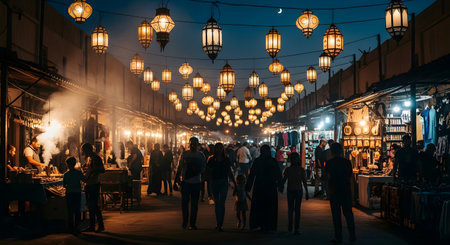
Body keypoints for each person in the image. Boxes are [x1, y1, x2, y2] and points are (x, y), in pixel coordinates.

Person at [246, 145, 282, 232]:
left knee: (260, 206)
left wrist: (248, 187)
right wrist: (280, 185)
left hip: (260, 186)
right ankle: (268, 225)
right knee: (269, 207)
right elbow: (278, 174)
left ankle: (262, 224)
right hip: (270, 187)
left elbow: (252, 175)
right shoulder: (272, 161)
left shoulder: (258, 161)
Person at [325, 143, 356, 243]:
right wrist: (353, 194)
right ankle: (352, 236)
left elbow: (328, 179)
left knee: (336, 216)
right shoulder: (347, 162)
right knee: (348, 215)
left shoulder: (329, 163)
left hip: (335, 191)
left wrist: (328, 192)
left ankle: (338, 237)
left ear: (332, 151)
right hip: (346, 191)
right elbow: (351, 179)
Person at [175, 137, 206, 230]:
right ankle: (185, 221)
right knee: (184, 203)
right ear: (189, 144)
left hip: (196, 182)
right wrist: (177, 178)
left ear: (197, 144)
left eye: (194, 144)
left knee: (194, 204)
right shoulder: (184, 154)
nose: (192, 145)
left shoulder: (201, 155)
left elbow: (204, 168)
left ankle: (192, 223)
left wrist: (196, 170)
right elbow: (179, 167)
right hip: (185, 182)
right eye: (191, 143)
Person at [206, 143, 236, 231]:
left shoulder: (225, 159)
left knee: (221, 203)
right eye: (218, 148)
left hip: (223, 182)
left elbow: (230, 172)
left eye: (220, 148)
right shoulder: (212, 159)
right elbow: (208, 171)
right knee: (217, 203)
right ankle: (218, 222)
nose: (219, 150)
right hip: (215, 182)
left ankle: (220, 223)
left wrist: (234, 183)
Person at [280, 152, 309, 234]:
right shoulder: (299, 169)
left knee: (293, 209)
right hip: (294, 190)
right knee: (294, 209)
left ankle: (293, 227)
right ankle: (294, 227)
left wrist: (306, 191)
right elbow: (304, 181)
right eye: (294, 159)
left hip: (294, 190)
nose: (294, 160)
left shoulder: (290, 170)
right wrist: (306, 191)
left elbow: (304, 181)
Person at [81, 143, 105, 233]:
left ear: (87, 150)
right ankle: (92, 226)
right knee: (90, 206)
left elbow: (102, 169)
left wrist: (92, 170)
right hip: (89, 184)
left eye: (83, 150)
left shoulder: (96, 157)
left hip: (94, 184)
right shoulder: (89, 158)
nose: (82, 152)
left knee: (94, 205)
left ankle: (101, 225)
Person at [63, 157, 86, 235]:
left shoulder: (66, 174)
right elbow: (85, 180)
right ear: (75, 164)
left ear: (67, 165)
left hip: (69, 193)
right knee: (77, 210)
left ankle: (70, 228)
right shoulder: (78, 173)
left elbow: (64, 185)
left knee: (70, 211)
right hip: (77, 193)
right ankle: (77, 227)